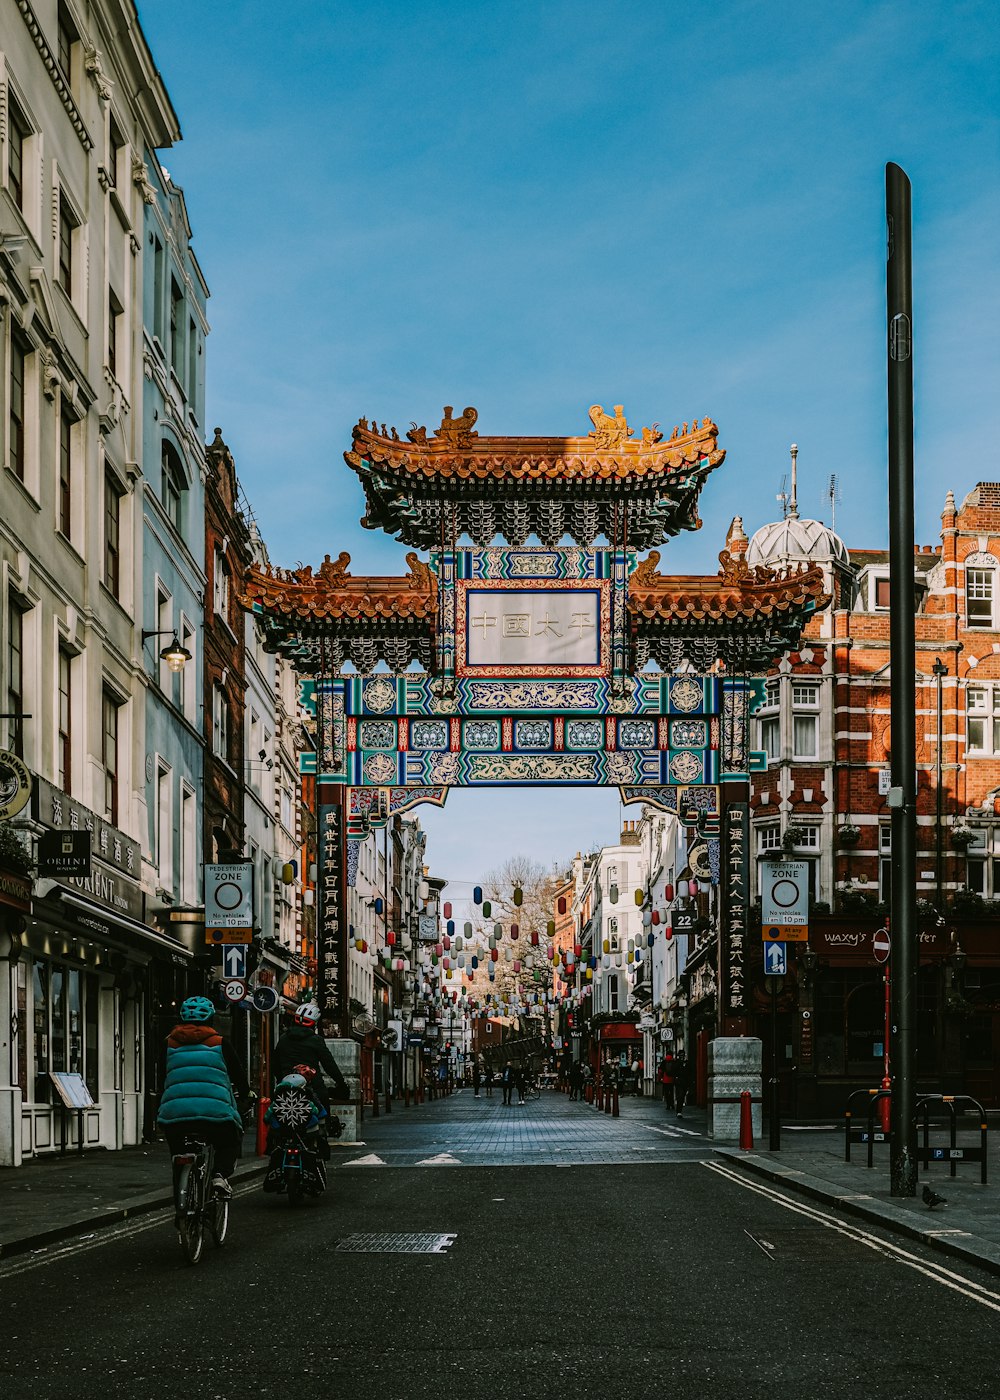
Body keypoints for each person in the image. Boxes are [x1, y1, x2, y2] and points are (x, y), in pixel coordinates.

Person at [156, 995, 250, 1196]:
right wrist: (246, 1095)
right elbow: (238, 1075)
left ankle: (181, 1210)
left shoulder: (168, 1044)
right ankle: (219, 1175)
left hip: (175, 1114)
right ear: (210, 1019)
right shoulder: (220, 1043)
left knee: (179, 1159)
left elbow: (160, 1075)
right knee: (229, 1140)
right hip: (215, 1113)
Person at [272, 1002, 349, 1118]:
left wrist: (281, 1079)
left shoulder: (283, 1039)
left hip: (286, 1087)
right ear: (315, 1023)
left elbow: (275, 1064)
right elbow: (329, 1065)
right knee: (323, 1114)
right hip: (313, 1087)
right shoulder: (316, 1040)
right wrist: (341, 1083)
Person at [673, 1052, 690, 1118]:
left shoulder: (687, 1063)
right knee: (680, 1096)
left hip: (685, 1082)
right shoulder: (677, 1063)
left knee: (682, 1096)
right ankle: (679, 1111)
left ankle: (679, 1110)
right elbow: (673, 1071)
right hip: (679, 1082)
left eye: (683, 1056)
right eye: (681, 1056)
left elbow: (690, 1072)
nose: (682, 1057)